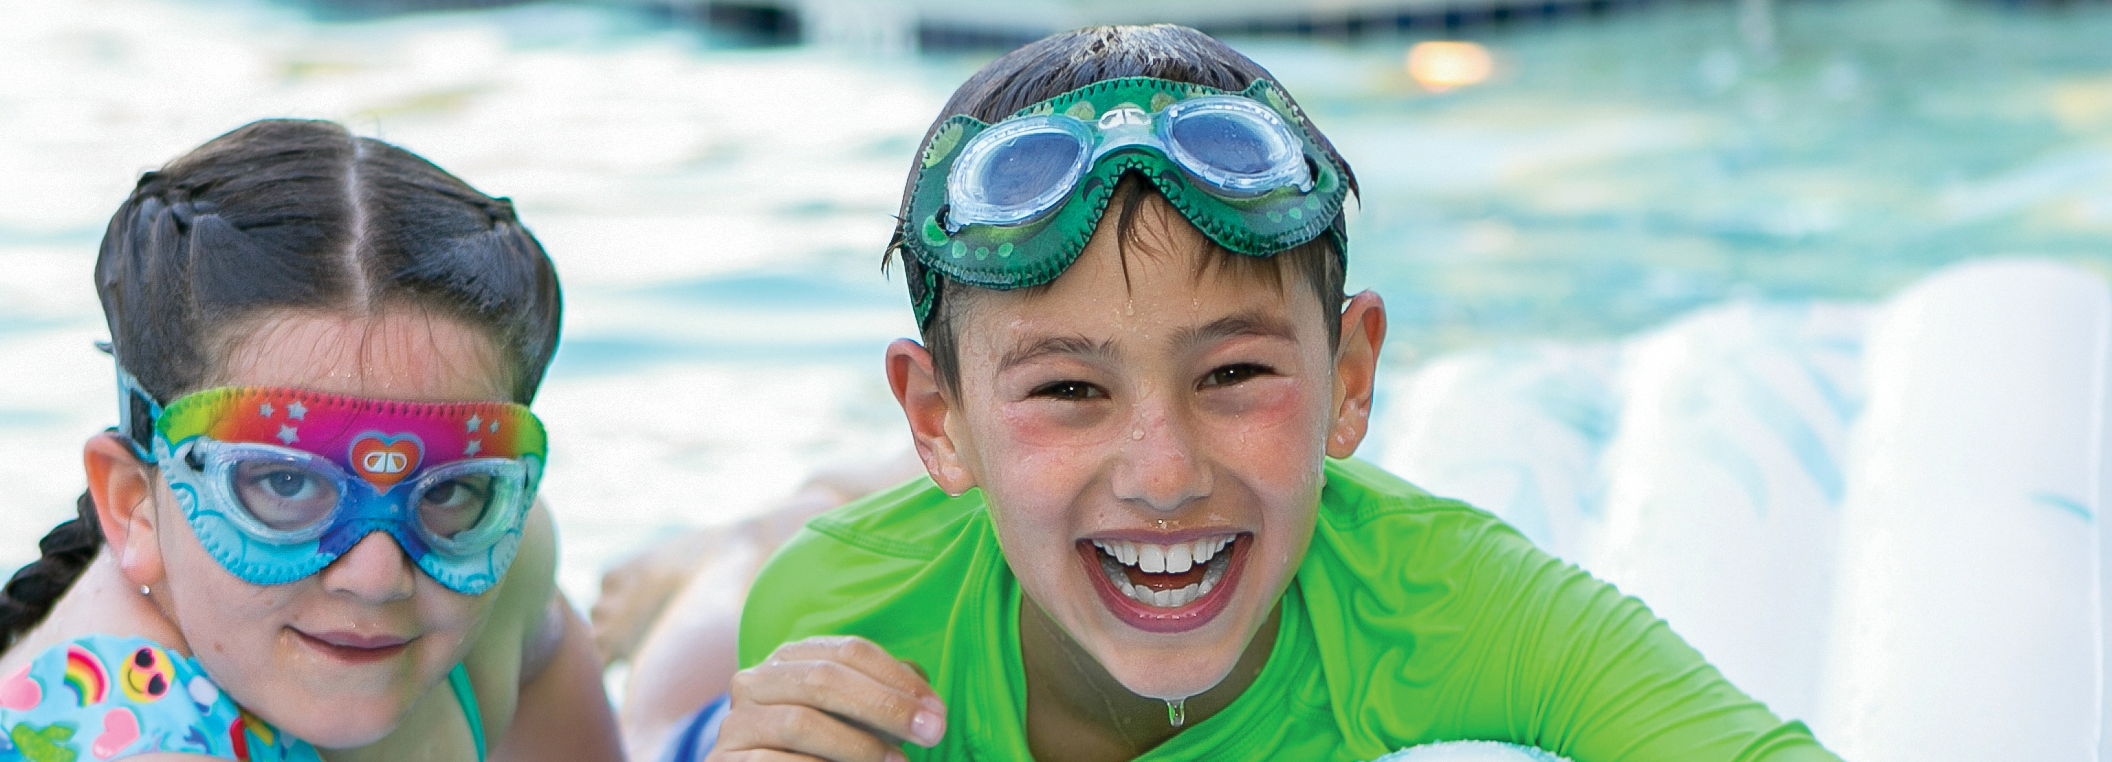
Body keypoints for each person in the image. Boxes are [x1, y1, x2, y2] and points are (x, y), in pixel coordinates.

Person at [638, 24, 1842, 762]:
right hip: (808, 584)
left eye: (1233, 375)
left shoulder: (1455, 608)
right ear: (935, 420)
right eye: (1067, 388)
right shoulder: (849, 619)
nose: (1165, 471)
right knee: (702, 631)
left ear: (1350, 381)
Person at [0, 120, 624, 761]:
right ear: (134, 502)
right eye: (285, 482)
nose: (378, 578)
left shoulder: (505, 573)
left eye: (453, 486)